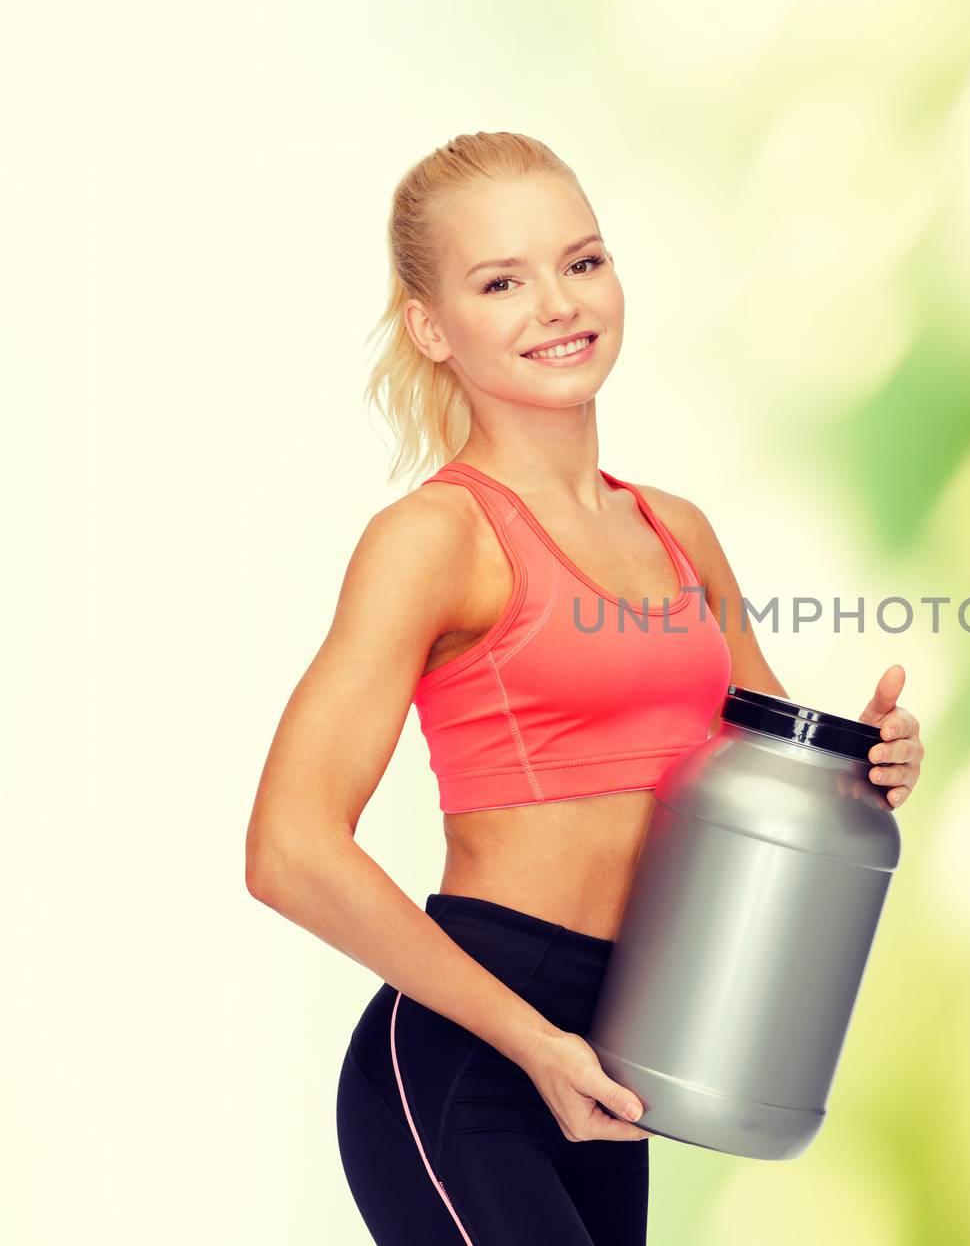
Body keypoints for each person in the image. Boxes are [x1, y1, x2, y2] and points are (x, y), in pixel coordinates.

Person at [243, 131, 925, 1246]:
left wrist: (870, 758)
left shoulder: (675, 530)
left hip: (625, 1053)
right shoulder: (435, 538)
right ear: (431, 326)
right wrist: (531, 1038)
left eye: (582, 262)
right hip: (473, 1056)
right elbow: (289, 848)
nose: (556, 304)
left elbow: (769, 788)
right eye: (501, 281)